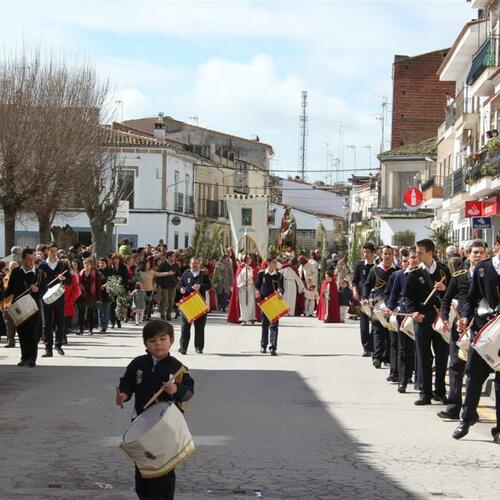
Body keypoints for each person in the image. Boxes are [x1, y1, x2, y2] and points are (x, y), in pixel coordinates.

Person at [116, 319, 194, 500]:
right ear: (145, 343)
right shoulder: (138, 364)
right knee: (142, 464)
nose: (157, 344)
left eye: (162, 339)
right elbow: (127, 382)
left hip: (165, 427)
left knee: (164, 468)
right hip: (141, 423)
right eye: (152, 340)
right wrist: (124, 394)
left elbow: (189, 391)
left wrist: (176, 389)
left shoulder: (177, 368)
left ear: (171, 341)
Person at [453, 235, 500, 443]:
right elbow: (470, 299)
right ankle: (467, 418)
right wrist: (464, 316)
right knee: (472, 377)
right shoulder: (484, 268)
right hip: (483, 333)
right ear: (498, 246)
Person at [438, 240, 486, 420]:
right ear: (468, 254)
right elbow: (446, 299)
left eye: (481, 252)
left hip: (480, 328)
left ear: (486, 255)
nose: (478, 255)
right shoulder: (459, 276)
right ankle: (453, 407)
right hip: (459, 327)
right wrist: (444, 318)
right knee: (455, 367)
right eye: (475, 252)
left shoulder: (489, 276)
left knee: (476, 372)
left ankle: (470, 410)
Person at [404, 239, 450, 405]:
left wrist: (445, 290)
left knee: (442, 355)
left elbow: (452, 293)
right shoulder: (414, 273)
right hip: (422, 318)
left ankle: (440, 391)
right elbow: (408, 297)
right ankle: (425, 393)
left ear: (430, 252)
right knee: (423, 355)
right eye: (416, 252)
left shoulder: (444, 270)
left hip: (439, 319)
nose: (416, 255)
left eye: (420, 252)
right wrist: (412, 312)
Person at [5, 248, 45, 367]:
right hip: (19, 307)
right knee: (22, 333)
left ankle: (32, 358)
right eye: (28, 259)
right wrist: (6, 302)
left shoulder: (39, 273)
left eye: (32, 259)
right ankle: (24, 357)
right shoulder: (16, 272)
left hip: (33, 307)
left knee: (32, 333)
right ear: (23, 259)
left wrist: (38, 289)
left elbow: (44, 289)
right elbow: (10, 290)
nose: (30, 262)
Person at [385, 248, 417, 393]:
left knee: (418, 350)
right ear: (407, 259)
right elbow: (393, 294)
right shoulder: (399, 275)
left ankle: (419, 380)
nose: (414, 260)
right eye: (411, 257)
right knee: (403, 348)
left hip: (420, 316)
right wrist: (390, 308)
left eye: (417, 256)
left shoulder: (426, 274)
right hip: (403, 315)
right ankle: (402, 380)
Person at [363, 245, 398, 369]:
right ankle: (377, 357)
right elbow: (367, 285)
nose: (387, 256)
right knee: (377, 331)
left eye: (389, 253)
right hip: (377, 305)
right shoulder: (374, 270)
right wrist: (365, 297)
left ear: (393, 255)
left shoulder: (397, 271)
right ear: (381, 255)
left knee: (390, 332)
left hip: (391, 306)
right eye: (385, 253)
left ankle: (387, 357)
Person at [38, 242, 72, 357]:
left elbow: (70, 282)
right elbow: (38, 282)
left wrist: (63, 278)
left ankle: (58, 345)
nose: (53, 253)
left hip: (59, 297)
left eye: (55, 251)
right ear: (47, 252)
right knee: (46, 324)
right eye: (51, 251)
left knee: (60, 322)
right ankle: (48, 349)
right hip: (46, 297)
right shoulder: (42, 265)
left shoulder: (62, 265)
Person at [177, 258, 211, 354]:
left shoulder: (203, 274)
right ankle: (183, 347)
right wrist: (181, 289)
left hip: (199, 302)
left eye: (196, 263)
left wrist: (201, 287)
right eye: (193, 263)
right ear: (190, 264)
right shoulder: (186, 273)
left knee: (199, 326)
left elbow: (209, 285)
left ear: (199, 264)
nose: (195, 265)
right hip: (187, 303)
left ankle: (199, 347)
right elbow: (179, 284)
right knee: (185, 326)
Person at [255, 255, 283, 355]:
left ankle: (273, 347)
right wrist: (257, 291)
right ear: (268, 263)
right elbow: (257, 286)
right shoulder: (262, 274)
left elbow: (281, 287)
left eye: (276, 262)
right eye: (274, 262)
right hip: (264, 302)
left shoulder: (279, 275)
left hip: (274, 302)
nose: (275, 264)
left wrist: (280, 291)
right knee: (264, 324)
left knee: (274, 325)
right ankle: (263, 345)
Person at [352, 243, 376, 357]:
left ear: (373, 253)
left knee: (376, 323)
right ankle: (366, 347)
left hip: (376, 298)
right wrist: (355, 291)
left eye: (367, 252)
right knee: (364, 324)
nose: (365, 254)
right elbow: (354, 281)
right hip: (363, 298)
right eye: (364, 252)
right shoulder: (360, 265)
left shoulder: (378, 266)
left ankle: (372, 344)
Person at [78, 258, 102, 336]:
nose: (86, 266)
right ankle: (81, 329)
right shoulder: (80, 273)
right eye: (85, 264)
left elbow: (98, 286)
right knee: (81, 313)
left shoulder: (96, 274)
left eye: (88, 264)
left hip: (91, 296)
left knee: (90, 313)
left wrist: (98, 298)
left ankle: (90, 329)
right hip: (81, 296)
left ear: (91, 265)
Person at [156, 251, 180, 321]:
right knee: (164, 301)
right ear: (169, 257)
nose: (174, 257)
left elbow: (178, 274)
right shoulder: (162, 265)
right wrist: (159, 285)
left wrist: (178, 278)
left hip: (173, 285)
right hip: (164, 286)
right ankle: (163, 315)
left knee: (171, 301)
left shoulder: (175, 265)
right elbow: (157, 275)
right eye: (173, 256)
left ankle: (168, 315)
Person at [62, 258, 80, 344]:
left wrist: (70, 301)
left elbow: (77, 291)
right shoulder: (56, 277)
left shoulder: (72, 277)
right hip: (57, 303)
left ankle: (63, 337)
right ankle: (61, 337)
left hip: (68, 304)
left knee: (66, 323)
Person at [236, 256, 257, 325]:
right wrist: (243, 285)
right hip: (243, 288)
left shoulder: (251, 269)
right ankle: (244, 319)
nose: (251, 260)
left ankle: (251, 318)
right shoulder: (242, 268)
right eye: (249, 259)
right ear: (246, 260)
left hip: (251, 287)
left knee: (251, 303)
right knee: (244, 303)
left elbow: (254, 278)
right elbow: (238, 278)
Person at [97, 258, 113, 334]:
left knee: (106, 311)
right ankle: (101, 325)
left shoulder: (110, 271)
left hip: (107, 294)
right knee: (100, 311)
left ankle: (104, 326)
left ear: (106, 264)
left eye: (103, 263)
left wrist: (104, 285)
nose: (101, 264)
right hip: (99, 294)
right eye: (100, 263)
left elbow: (112, 281)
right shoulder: (96, 272)